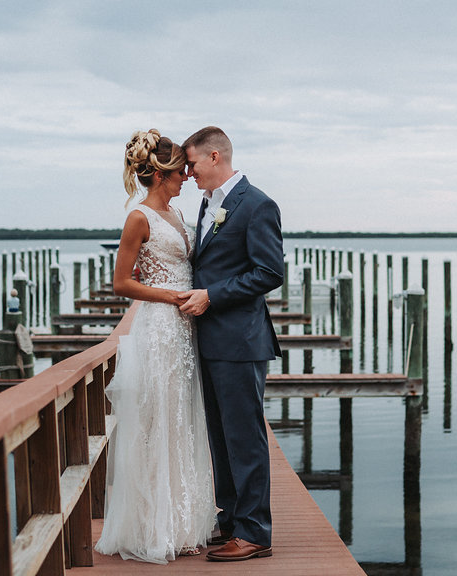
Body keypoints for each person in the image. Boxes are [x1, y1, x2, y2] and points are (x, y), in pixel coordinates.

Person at [94, 129, 216, 564]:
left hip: (186, 329)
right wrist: (170, 297)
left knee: (182, 416)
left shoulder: (179, 214)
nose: (187, 175)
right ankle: (151, 525)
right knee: (157, 419)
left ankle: (184, 522)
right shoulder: (138, 218)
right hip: (160, 328)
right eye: (181, 170)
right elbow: (121, 282)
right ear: (161, 173)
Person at [179, 126, 284, 562]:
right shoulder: (208, 205)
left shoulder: (257, 204)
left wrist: (212, 295)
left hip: (240, 341)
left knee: (245, 438)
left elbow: (269, 272)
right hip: (209, 341)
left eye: (192, 163)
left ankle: (255, 532)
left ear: (216, 157)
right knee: (220, 439)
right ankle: (232, 523)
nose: (187, 173)